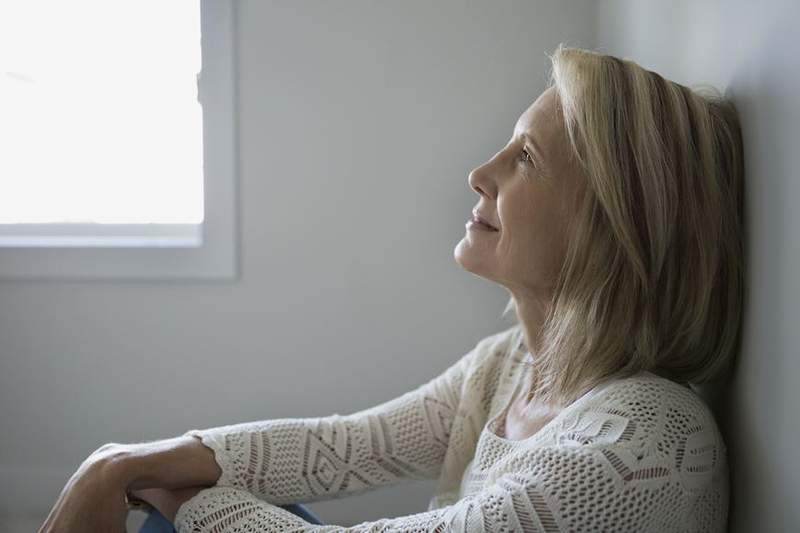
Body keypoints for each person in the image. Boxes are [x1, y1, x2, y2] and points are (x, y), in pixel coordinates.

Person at [38, 43, 744, 532]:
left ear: (612, 224)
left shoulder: (647, 442)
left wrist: (159, 485)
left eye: (526, 157)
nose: (481, 171)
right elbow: (344, 445)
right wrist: (119, 461)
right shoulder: (512, 365)